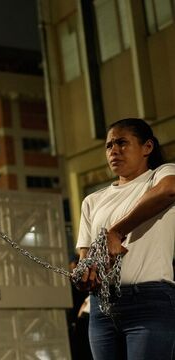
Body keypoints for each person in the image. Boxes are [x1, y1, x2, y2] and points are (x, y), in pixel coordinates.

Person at [75, 118, 175, 360]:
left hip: (150, 301)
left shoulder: (160, 176)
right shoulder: (92, 201)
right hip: (101, 307)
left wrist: (117, 232)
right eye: (109, 145)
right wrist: (84, 275)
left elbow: (170, 190)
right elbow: (85, 257)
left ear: (147, 147)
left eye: (122, 143)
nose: (114, 151)